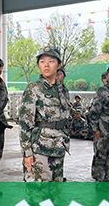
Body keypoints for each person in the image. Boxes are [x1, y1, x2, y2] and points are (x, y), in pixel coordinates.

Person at [19, 46, 71, 182]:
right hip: (40, 149)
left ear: (58, 65)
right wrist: (27, 153)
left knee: (55, 191)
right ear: (38, 65)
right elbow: (25, 123)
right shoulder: (34, 88)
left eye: (51, 61)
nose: (46, 65)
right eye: (42, 61)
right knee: (38, 191)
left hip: (58, 147)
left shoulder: (63, 90)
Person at [89, 65, 109, 181]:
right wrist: (95, 129)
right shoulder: (102, 91)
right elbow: (94, 111)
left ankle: (108, 177)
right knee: (101, 154)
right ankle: (99, 178)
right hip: (102, 128)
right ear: (106, 77)